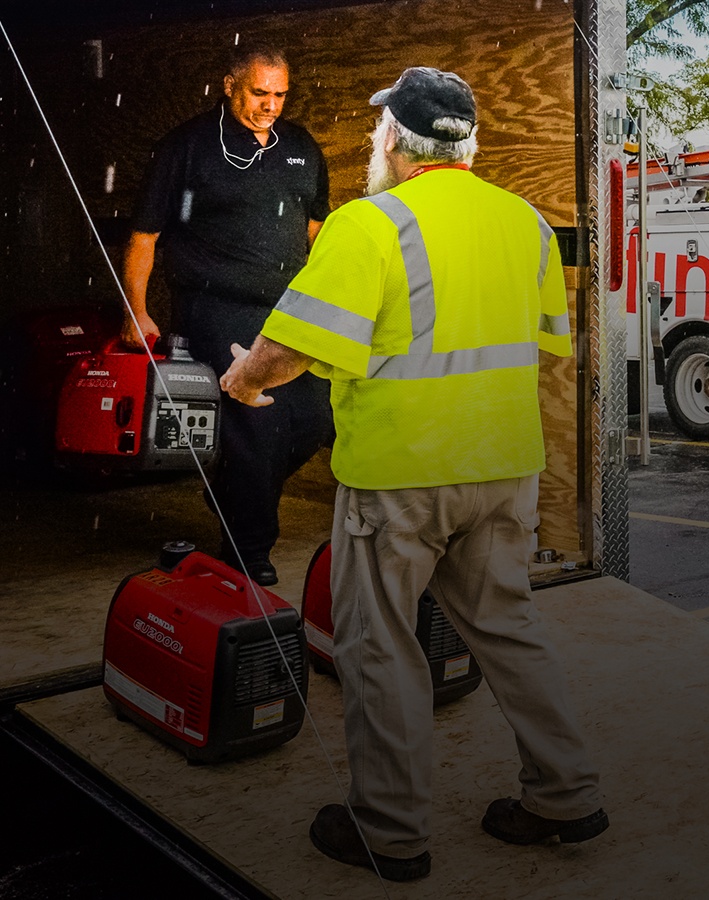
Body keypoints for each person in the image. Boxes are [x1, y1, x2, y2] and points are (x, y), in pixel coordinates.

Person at [219, 66, 606, 881]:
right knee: (509, 629)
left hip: (400, 478)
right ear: (466, 145)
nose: (372, 142)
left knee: (381, 645)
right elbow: (535, 345)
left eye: (377, 131)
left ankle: (390, 833)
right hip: (505, 468)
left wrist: (246, 380)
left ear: (394, 139)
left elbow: (296, 346)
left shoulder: (370, 226)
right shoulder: (526, 224)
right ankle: (567, 798)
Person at [123, 42, 333, 587]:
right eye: (260, 93)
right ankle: (247, 551)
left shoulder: (302, 146)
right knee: (256, 422)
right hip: (214, 307)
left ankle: (231, 492)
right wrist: (135, 310)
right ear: (229, 85)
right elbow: (145, 236)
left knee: (319, 416)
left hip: (287, 310)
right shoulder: (187, 147)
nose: (270, 105)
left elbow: (317, 232)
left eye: (280, 94)